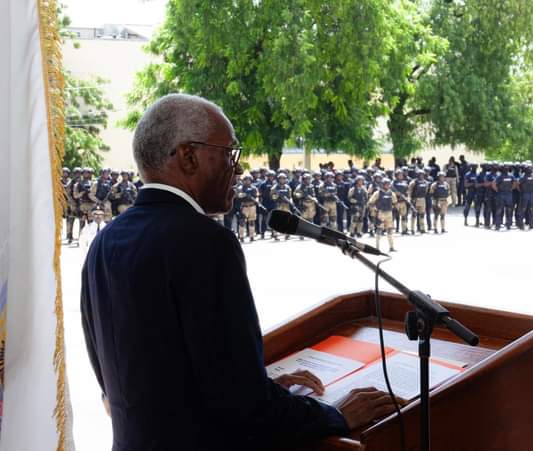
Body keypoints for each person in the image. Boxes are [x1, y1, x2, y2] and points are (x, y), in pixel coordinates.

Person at [81, 94, 394, 451]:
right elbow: (241, 405)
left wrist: (266, 387)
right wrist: (336, 416)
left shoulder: (105, 241)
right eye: (229, 153)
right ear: (188, 156)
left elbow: (135, 377)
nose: (239, 168)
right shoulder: (206, 242)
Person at [368, 178, 397, 252]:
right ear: (383, 185)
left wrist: (392, 208)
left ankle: (391, 247)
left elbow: (395, 202)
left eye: (388, 184)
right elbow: (371, 203)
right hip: (380, 213)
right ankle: (377, 248)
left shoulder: (391, 193)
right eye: (386, 184)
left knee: (390, 230)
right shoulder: (377, 193)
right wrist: (375, 211)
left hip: (389, 213)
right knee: (379, 230)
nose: (387, 185)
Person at [237, 173, 259, 242]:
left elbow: (257, 196)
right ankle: (241, 237)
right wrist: (245, 194)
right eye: (245, 180)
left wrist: (256, 201)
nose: (247, 181)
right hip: (244, 207)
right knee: (242, 222)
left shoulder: (254, 188)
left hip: (252, 206)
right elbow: (239, 195)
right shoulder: (241, 188)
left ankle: (251, 236)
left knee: (252, 221)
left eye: (249, 180)